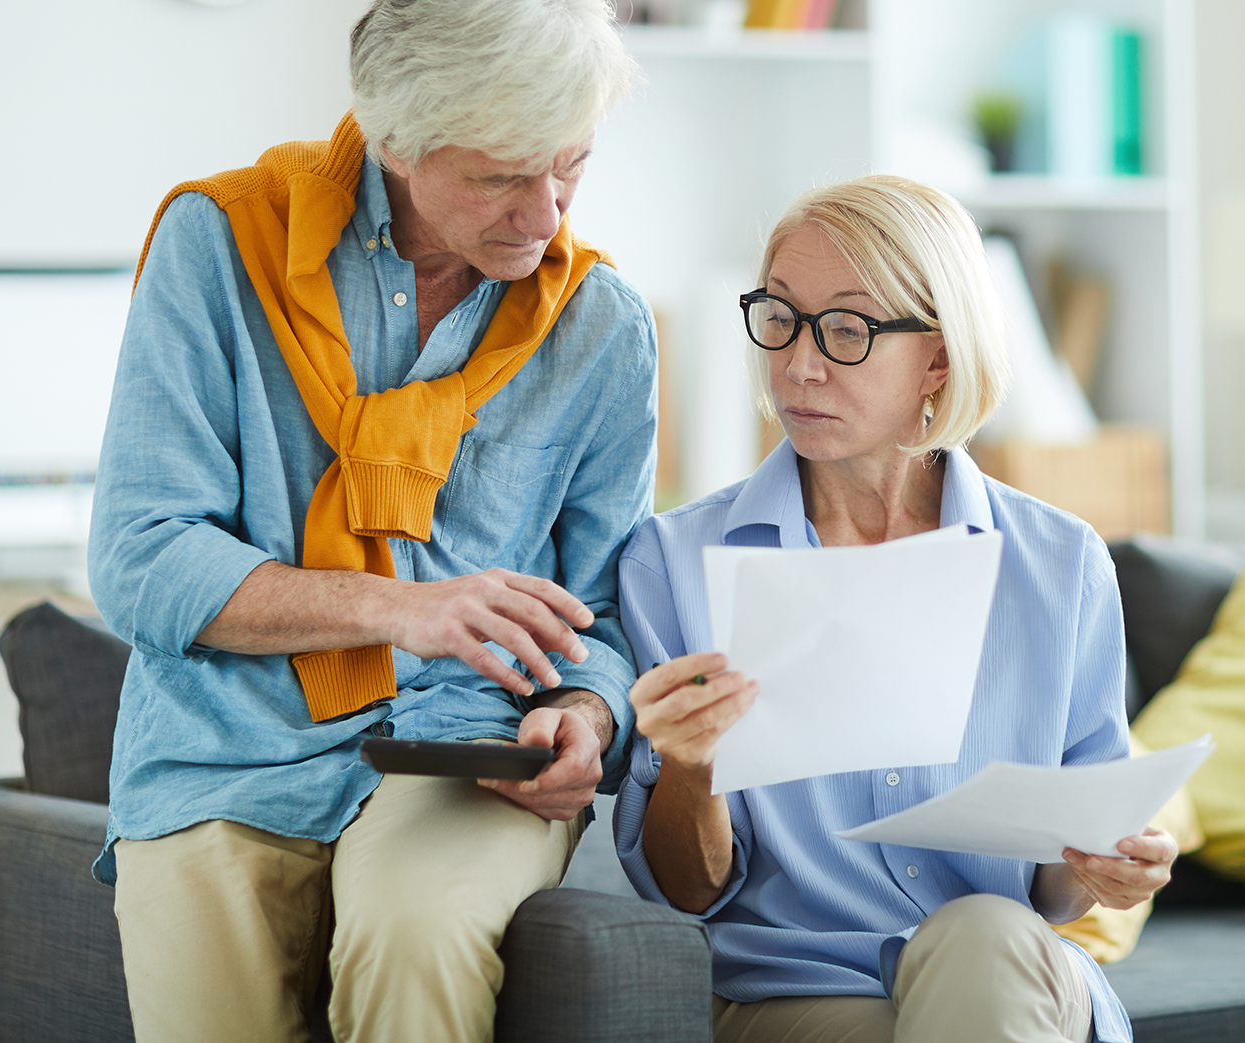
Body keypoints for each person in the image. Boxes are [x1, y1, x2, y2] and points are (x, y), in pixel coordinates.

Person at [86, 2, 653, 1040]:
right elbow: (141, 555)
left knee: (417, 935)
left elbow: (609, 607)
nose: (545, 215)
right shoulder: (219, 243)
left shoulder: (602, 325)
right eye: (499, 176)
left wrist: (588, 717)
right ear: (395, 137)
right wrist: (400, 608)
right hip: (226, 745)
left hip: (467, 742)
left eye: (569, 165)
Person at [611, 174, 1177, 1043]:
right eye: (780, 317)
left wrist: (1106, 868)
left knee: (984, 932)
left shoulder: (1059, 564)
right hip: (802, 992)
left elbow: (1052, 890)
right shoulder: (675, 563)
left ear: (939, 359)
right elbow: (688, 890)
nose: (798, 363)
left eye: (846, 330)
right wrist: (689, 768)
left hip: (1011, 970)